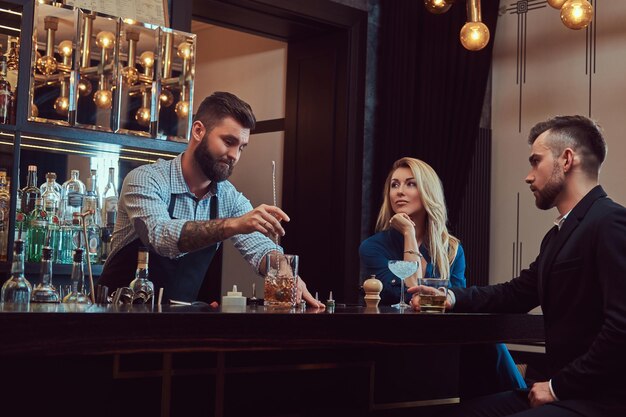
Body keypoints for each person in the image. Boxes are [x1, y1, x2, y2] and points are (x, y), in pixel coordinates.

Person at [410, 115, 626, 417]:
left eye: (535, 161)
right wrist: (452, 297)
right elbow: (515, 293)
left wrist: (556, 387)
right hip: (563, 392)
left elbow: (621, 329)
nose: (528, 176)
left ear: (566, 159)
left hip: (599, 401)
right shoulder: (557, 236)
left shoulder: (611, 222)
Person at [97, 91, 324, 307]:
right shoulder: (146, 179)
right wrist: (234, 225)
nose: (235, 155)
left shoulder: (228, 197)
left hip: (176, 326)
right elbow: (159, 236)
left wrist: (283, 267)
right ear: (198, 131)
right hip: (116, 318)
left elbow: (261, 248)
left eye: (242, 147)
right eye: (228, 141)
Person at [360, 157, 525, 394]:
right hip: (395, 343)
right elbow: (412, 292)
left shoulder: (452, 249)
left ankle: (517, 400)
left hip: (445, 340)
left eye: (410, 184)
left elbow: (458, 302)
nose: (399, 192)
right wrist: (408, 232)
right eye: (394, 185)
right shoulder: (373, 247)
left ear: (427, 191)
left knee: (486, 341)